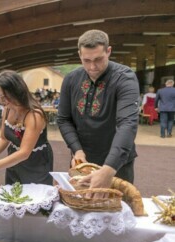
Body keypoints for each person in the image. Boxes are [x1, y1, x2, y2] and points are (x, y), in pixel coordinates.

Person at [57, 29, 140, 190]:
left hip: (117, 163)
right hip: (82, 162)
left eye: (98, 59)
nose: (92, 66)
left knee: (116, 209)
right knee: (80, 208)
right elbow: (64, 119)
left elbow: (127, 124)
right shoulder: (71, 79)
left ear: (108, 51)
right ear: (79, 54)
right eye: (86, 60)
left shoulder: (125, 78)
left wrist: (109, 168)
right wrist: (77, 150)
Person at [0, 70, 53, 185]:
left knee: (34, 197)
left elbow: (24, 153)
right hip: (13, 161)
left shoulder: (34, 115)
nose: (2, 101)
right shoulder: (7, 109)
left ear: (17, 91)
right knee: (13, 195)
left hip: (36, 163)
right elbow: (3, 138)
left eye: (5, 96)